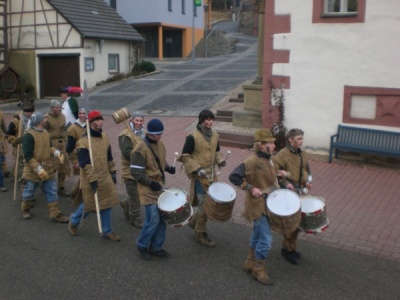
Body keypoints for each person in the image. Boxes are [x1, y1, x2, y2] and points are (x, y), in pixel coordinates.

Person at [229, 128, 287, 285]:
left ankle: (250, 262)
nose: (274, 146)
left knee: (257, 234)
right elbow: (234, 176)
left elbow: (270, 175)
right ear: (261, 145)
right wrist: (250, 188)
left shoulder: (271, 159)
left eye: (274, 143)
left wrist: (279, 174)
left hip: (269, 203)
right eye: (271, 143)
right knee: (266, 239)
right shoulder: (251, 161)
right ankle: (258, 269)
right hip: (257, 205)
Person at [68, 110, 121, 242]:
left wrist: (113, 171)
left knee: (107, 203)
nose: (100, 122)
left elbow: (109, 157)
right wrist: (92, 179)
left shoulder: (105, 136)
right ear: (90, 122)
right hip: (90, 177)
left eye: (101, 119)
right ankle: (74, 221)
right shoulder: (83, 142)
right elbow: (85, 164)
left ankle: (107, 230)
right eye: (97, 120)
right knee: (89, 204)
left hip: (104, 175)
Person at [178, 109, 226, 248]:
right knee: (204, 206)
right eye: (207, 119)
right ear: (201, 120)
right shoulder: (192, 137)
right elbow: (185, 157)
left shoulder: (215, 135)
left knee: (211, 204)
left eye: (212, 119)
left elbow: (216, 152)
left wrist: (221, 160)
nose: (210, 122)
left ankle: (194, 223)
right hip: (200, 177)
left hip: (212, 176)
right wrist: (198, 169)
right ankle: (200, 233)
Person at [130, 118, 176, 260]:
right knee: (153, 219)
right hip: (147, 188)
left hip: (160, 186)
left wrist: (168, 168)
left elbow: (160, 160)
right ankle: (142, 245)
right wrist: (150, 183)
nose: (160, 136)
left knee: (163, 219)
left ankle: (157, 247)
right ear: (149, 133)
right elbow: (136, 172)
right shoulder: (139, 149)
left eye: (161, 133)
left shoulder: (160, 144)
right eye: (157, 134)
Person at [20, 112, 69, 222]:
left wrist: (56, 153)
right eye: (44, 119)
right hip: (33, 170)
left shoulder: (46, 133)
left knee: (51, 190)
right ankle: (25, 209)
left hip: (47, 167)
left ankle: (55, 214)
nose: (46, 120)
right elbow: (27, 156)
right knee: (29, 191)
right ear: (39, 121)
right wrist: (38, 168)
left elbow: (50, 147)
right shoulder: (28, 135)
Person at [275, 128, 312, 265]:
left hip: (300, 191)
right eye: (299, 139)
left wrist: (308, 181)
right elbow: (276, 172)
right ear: (290, 140)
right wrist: (286, 183)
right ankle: (288, 250)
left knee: (298, 223)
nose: (301, 142)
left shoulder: (303, 154)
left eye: (302, 139)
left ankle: (290, 247)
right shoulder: (282, 155)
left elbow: (307, 169)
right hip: (288, 193)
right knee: (291, 223)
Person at [118, 111, 145, 228]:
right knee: (134, 195)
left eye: (141, 120)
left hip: (140, 169)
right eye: (136, 120)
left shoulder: (142, 134)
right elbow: (126, 152)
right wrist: (140, 157)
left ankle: (126, 204)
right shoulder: (125, 134)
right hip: (130, 170)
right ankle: (135, 217)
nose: (138, 123)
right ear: (132, 120)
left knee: (139, 193)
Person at [45, 100, 71, 197]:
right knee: (52, 167)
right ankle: (46, 185)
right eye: (57, 107)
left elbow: (64, 129)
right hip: (51, 144)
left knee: (63, 166)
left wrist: (66, 140)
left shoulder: (62, 116)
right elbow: (43, 133)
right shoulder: (46, 118)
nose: (59, 109)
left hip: (62, 143)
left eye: (60, 107)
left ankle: (61, 187)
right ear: (52, 108)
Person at [6, 99, 35, 181]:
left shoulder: (33, 120)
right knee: (20, 164)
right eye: (31, 113)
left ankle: (25, 178)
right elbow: (8, 136)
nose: (32, 114)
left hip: (29, 146)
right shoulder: (15, 122)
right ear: (26, 112)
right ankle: (21, 179)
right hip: (19, 147)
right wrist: (16, 140)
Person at [66, 108, 87, 200]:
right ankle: (76, 193)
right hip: (78, 156)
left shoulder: (90, 126)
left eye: (84, 113)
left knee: (85, 176)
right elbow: (70, 148)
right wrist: (74, 161)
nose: (82, 115)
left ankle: (76, 193)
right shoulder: (72, 129)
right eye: (80, 113)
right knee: (84, 176)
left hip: (88, 155)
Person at [0, 110, 8, 192]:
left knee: (1, 161)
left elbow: (3, 127)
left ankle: (1, 184)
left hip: (0, 142)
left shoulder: (0, 114)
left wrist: (8, 134)